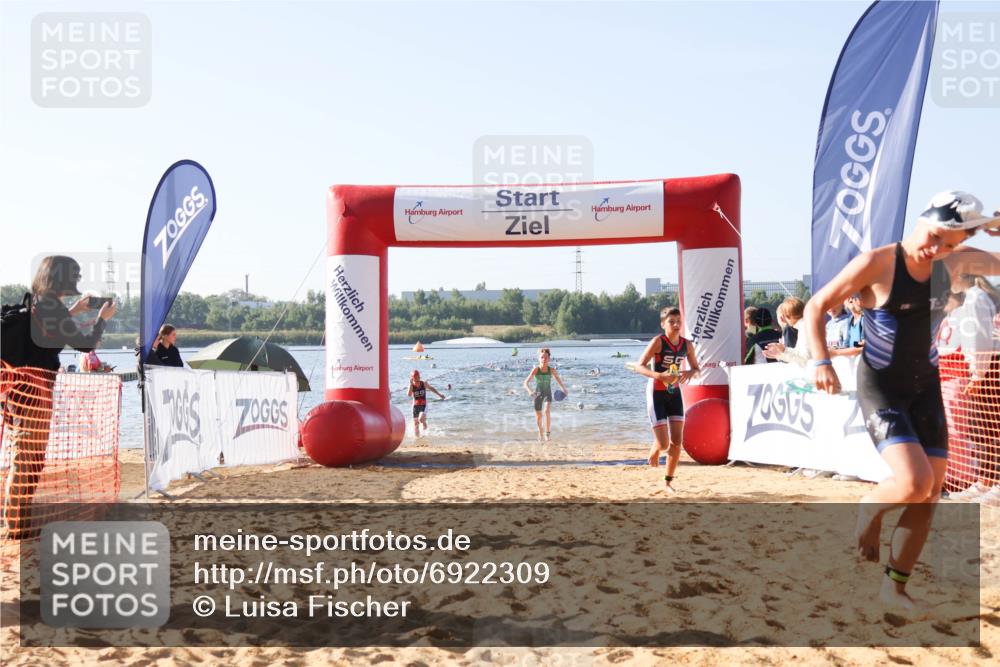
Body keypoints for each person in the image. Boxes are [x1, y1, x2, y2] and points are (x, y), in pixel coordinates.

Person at [802, 190, 1000, 611]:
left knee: (932, 492)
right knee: (914, 483)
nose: (937, 249)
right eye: (934, 237)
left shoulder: (956, 262)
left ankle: (894, 587)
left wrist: (994, 228)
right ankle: (868, 508)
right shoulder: (877, 262)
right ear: (922, 219)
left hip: (926, 387)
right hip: (882, 385)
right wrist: (821, 360)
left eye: (949, 243)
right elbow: (817, 306)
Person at [3, 255, 116, 539]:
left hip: (15, 388)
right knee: (29, 458)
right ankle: (16, 526)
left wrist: (73, 311)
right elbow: (85, 343)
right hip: (36, 390)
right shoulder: (53, 308)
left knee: (23, 455)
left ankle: (15, 521)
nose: (77, 282)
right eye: (74, 277)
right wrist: (101, 319)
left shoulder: (34, 302)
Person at [631, 307, 701, 493]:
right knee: (663, 444)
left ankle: (668, 482)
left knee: (677, 441)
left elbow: (696, 368)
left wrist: (690, 372)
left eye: (678, 321)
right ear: (663, 325)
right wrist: (659, 376)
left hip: (675, 393)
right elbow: (639, 366)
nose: (676, 325)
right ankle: (655, 449)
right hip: (656, 392)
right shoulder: (658, 342)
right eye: (671, 322)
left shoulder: (687, 345)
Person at [522, 348, 568, 442]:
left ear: (549, 358)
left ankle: (547, 434)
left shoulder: (552, 370)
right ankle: (540, 432)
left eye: (546, 357)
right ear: (539, 358)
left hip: (547, 393)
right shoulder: (535, 370)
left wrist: (564, 389)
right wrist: (530, 391)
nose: (544, 359)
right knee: (539, 416)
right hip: (537, 394)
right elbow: (525, 383)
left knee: (547, 411)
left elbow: (558, 380)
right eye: (542, 357)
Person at [407, 370, 444, 437]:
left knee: (421, 420)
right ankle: (417, 439)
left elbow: (431, 388)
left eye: (418, 377)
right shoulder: (412, 385)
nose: (417, 380)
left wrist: (439, 395)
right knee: (416, 423)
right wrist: (410, 385)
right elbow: (409, 394)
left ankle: (425, 433)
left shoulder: (423, 383)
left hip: (424, 405)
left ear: (419, 377)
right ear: (412, 378)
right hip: (415, 406)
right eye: (415, 378)